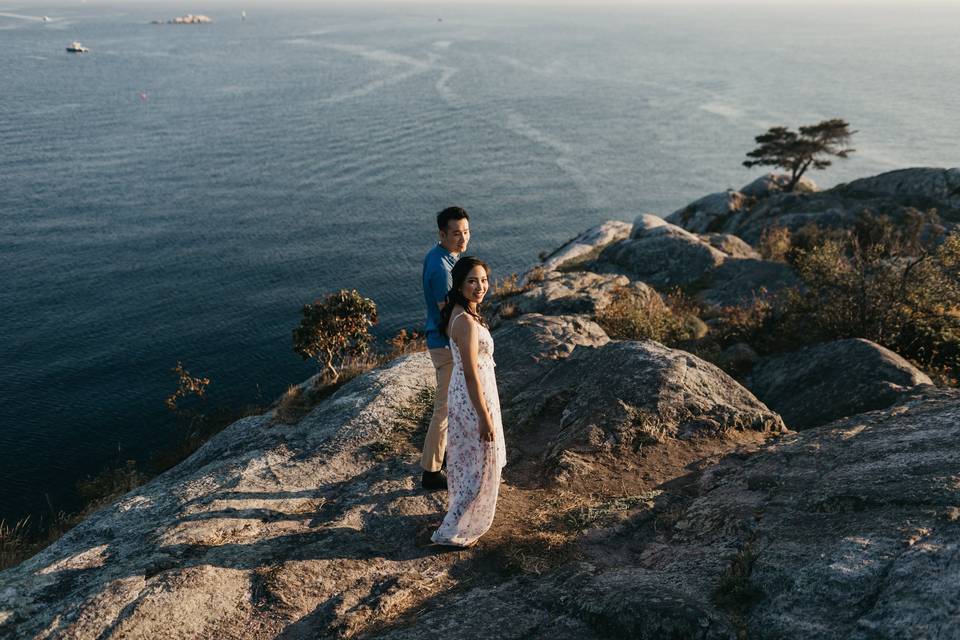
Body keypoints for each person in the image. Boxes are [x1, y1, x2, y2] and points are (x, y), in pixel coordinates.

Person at [431, 257, 506, 548]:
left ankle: (459, 516)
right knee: (479, 464)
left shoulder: (464, 314)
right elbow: (472, 374)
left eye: (484, 280)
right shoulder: (465, 322)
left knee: (470, 461)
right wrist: (485, 416)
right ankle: (451, 529)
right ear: (460, 284)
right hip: (473, 396)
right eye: (473, 281)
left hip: (469, 393)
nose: (480, 287)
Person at [420, 206, 471, 490]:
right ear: (442, 234)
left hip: (445, 341)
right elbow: (447, 313)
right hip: (445, 344)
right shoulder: (442, 268)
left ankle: (445, 458)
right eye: (456, 234)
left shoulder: (445, 257)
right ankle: (430, 471)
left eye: (466, 232)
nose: (462, 239)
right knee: (445, 407)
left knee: (453, 404)